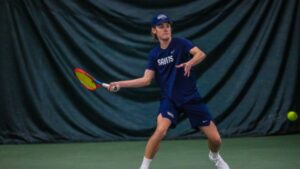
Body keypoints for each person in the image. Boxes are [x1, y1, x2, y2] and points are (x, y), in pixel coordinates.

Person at [108, 13, 230, 169]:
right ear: (154, 31)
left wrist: (190, 62)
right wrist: (120, 83)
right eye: (161, 26)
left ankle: (214, 156)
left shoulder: (182, 43)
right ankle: (143, 167)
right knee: (160, 131)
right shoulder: (154, 54)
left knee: (216, 140)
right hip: (170, 100)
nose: (165, 29)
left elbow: (200, 54)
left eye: (167, 26)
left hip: (191, 98)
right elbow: (146, 80)